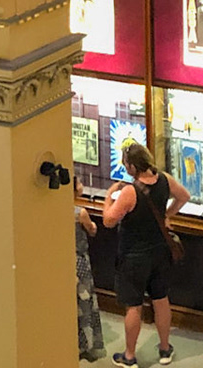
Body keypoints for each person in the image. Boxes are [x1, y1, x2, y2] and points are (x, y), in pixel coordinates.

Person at [102, 140, 188, 365]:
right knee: (161, 299)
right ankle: (165, 348)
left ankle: (129, 356)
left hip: (134, 256)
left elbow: (109, 221)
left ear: (132, 166)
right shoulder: (164, 180)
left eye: (126, 164)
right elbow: (184, 196)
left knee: (134, 306)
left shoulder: (130, 192)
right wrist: (167, 214)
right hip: (160, 252)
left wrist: (108, 196)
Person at [76, 204, 105, 361]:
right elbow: (92, 230)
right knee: (84, 304)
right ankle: (84, 344)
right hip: (79, 263)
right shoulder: (80, 212)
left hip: (62, 260)